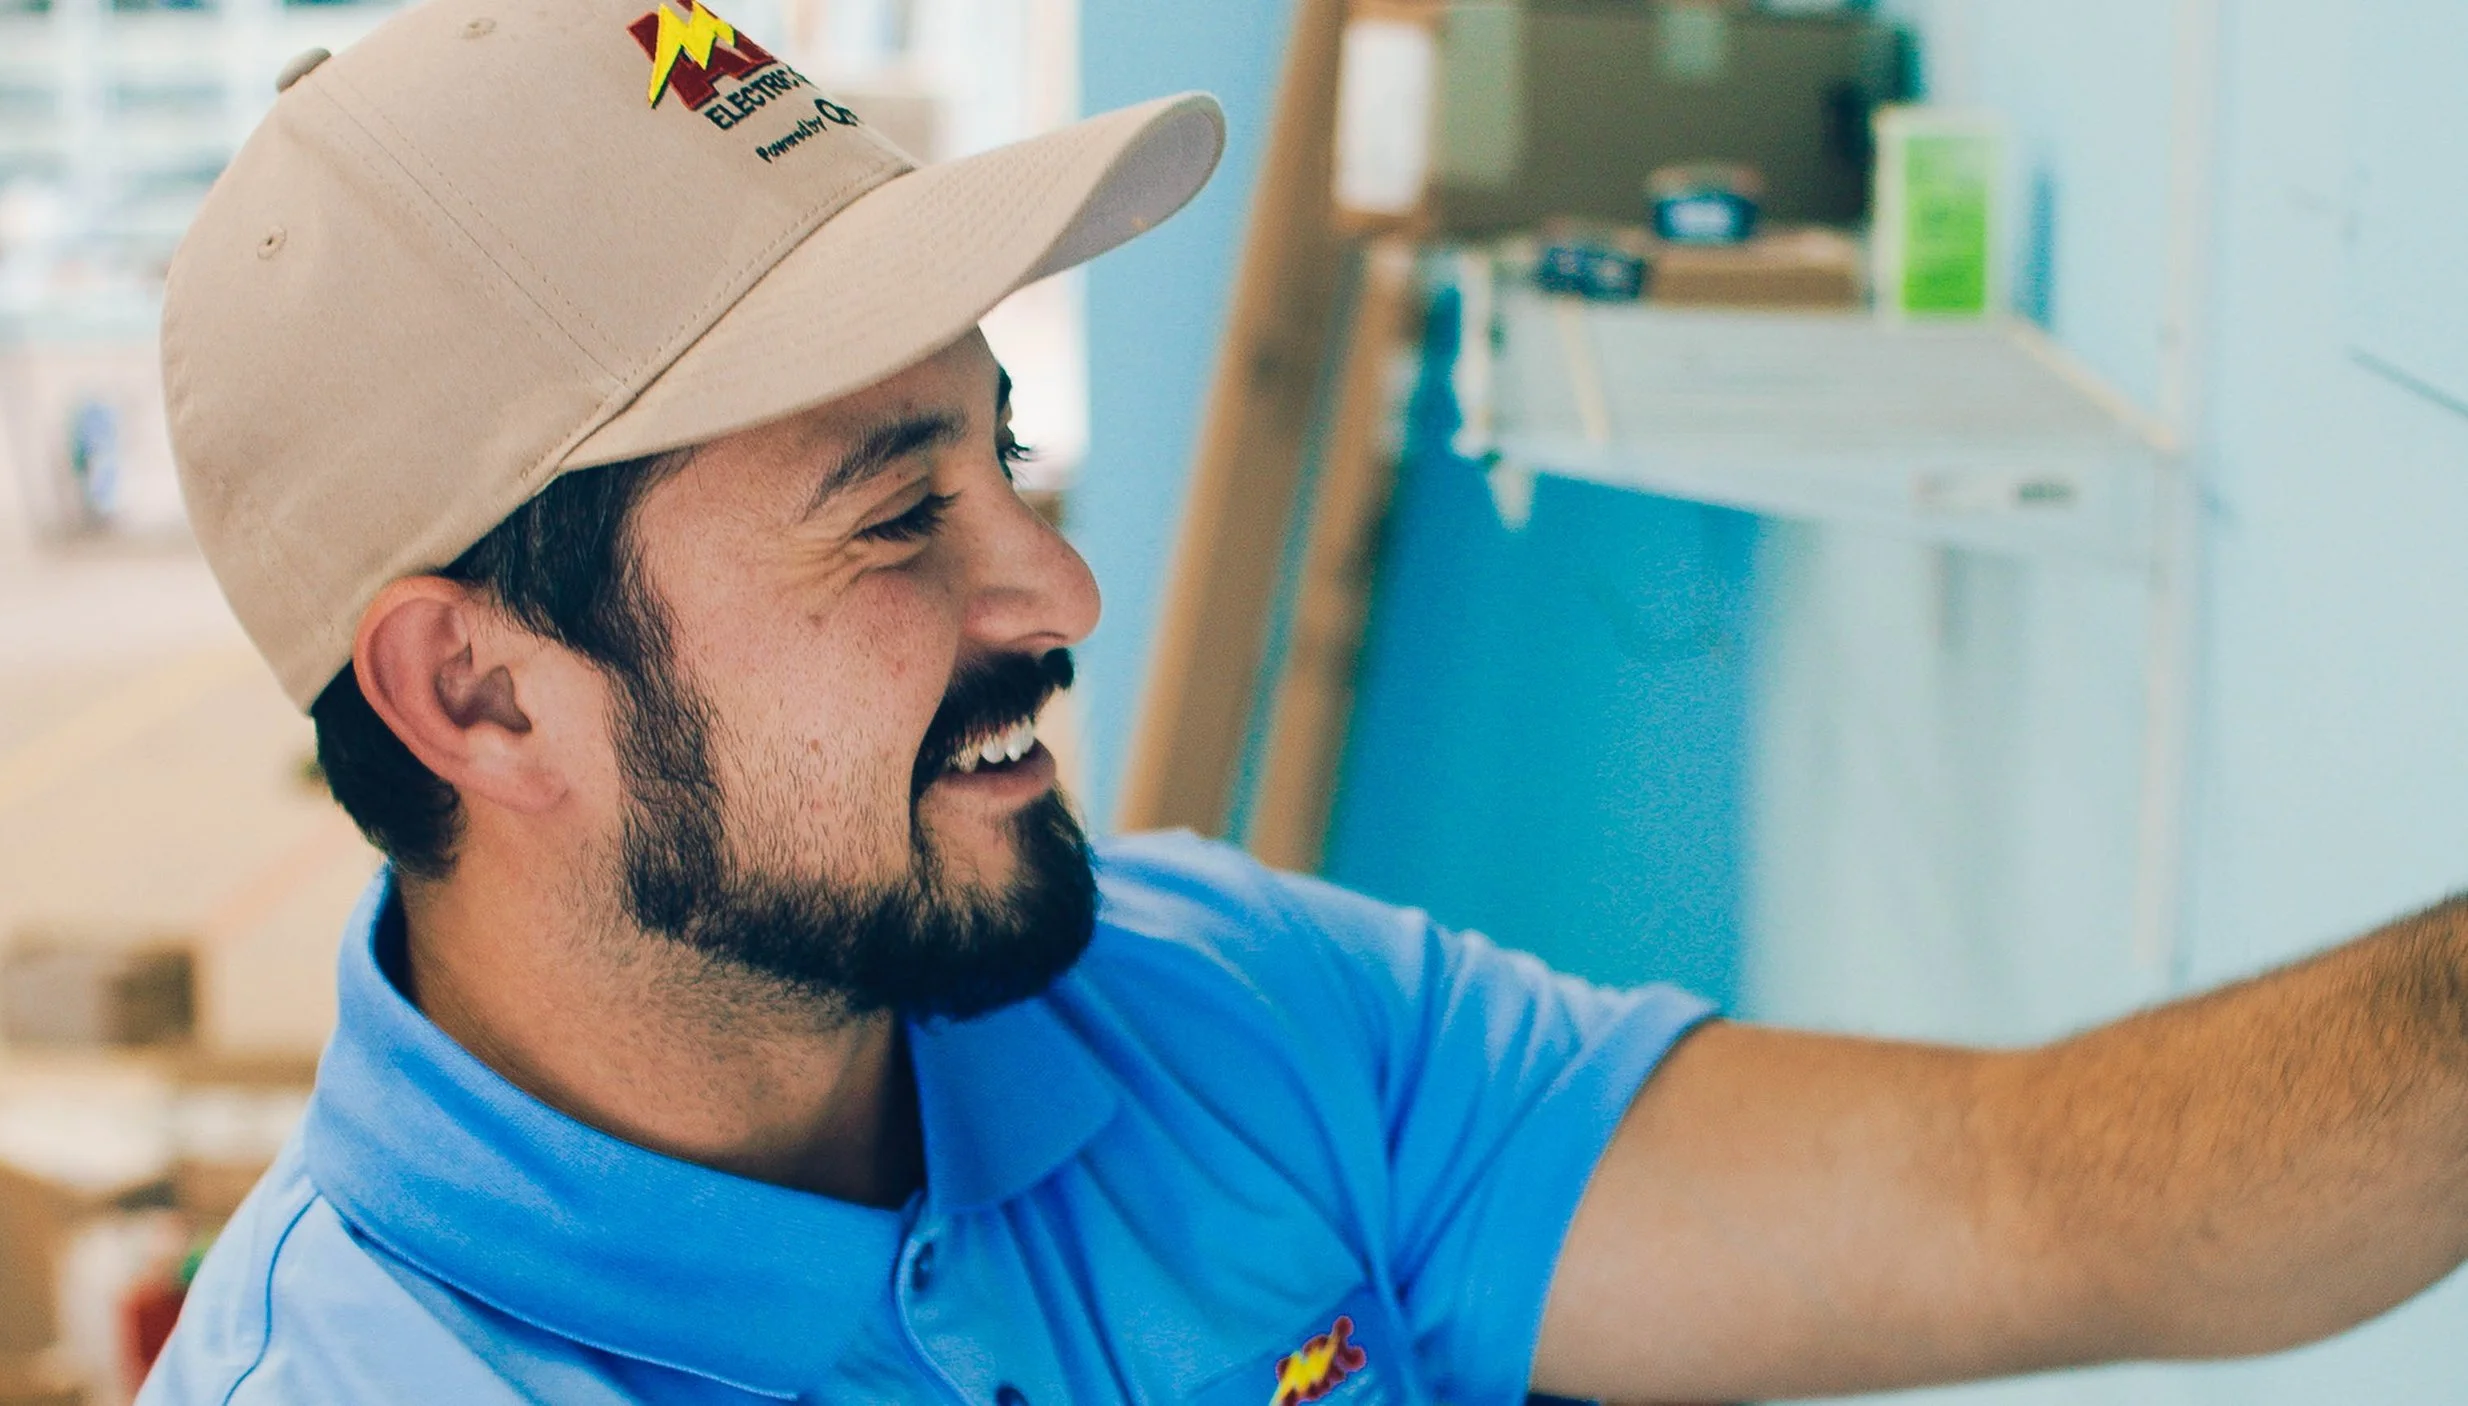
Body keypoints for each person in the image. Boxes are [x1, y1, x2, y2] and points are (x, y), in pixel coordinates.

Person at [143, 1, 2468, 1402]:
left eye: (1004, 454)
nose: (1050, 579)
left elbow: (2029, 1201)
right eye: (886, 514)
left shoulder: (1203, 1007)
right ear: (480, 695)